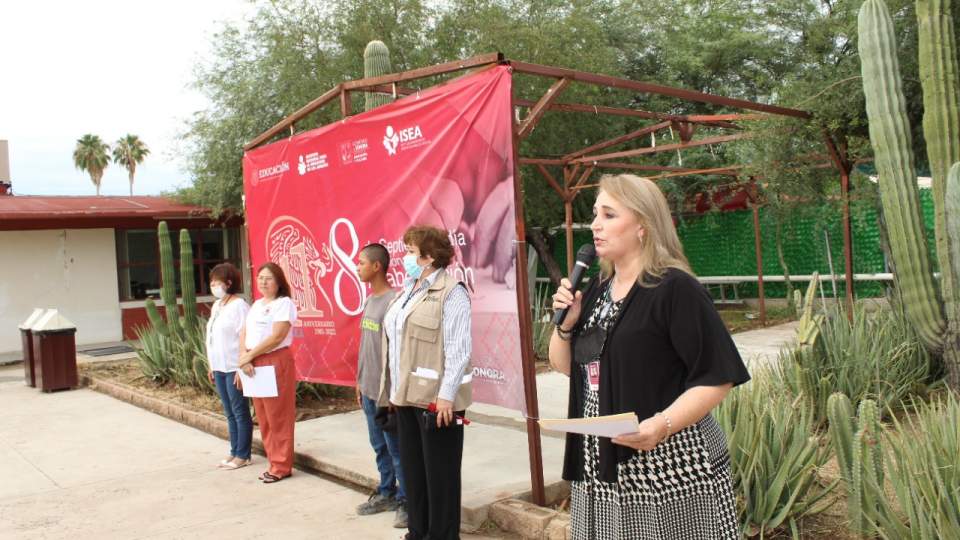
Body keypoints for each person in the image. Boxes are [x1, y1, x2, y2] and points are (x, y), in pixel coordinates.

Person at [549, 174, 750, 539]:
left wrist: (661, 425)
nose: (595, 224)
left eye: (609, 214)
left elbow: (717, 377)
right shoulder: (597, 288)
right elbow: (567, 367)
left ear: (643, 224)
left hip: (668, 463)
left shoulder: (675, 288)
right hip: (603, 464)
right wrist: (566, 325)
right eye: (595, 214)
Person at [378, 225, 472, 540]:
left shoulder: (452, 292)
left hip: (437, 403)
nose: (404, 257)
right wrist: (393, 391)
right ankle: (418, 532)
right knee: (415, 475)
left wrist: (446, 397)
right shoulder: (409, 290)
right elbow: (397, 345)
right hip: (406, 398)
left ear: (429, 257)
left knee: (440, 477)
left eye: (410, 252)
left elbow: (459, 352)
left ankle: (443, 535)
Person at [354, 243, 407, 528]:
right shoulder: (370, 301)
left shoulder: (393, 301)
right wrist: (359, 381)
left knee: (396, 448)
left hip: (387, 393)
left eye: (361, 262)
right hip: (368, 389)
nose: (357, 266)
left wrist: (395, 392)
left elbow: (397, 352)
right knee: (379, 446)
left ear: (376, 266)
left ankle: (406, 500)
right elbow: (366, 345)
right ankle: (386, 491)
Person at [239, 262, 299, 484]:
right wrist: (243, 357)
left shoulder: (284, 304)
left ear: (279, 282)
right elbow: (244, 333)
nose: (263, 282)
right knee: (263, 417)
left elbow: (277, 337)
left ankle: (282, 465)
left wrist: (249, 355)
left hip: (274, 361)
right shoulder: (255, 305)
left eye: (269, 278)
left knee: (279, 416)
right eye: (261, 277)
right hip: (253, 362)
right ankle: (273, 461)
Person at [205, 263, 252, 470]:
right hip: (219, 367)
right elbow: (212, 337)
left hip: (234, 367)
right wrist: (211, 364)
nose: (213, 285)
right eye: (212, 282)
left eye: (218, 282)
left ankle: (243, 454)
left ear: (229, 283)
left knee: (240, 411)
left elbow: (245, 337)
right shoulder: (218, 306)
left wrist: (242, 367)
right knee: (229, 412)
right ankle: (234, 451)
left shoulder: (239, 305)